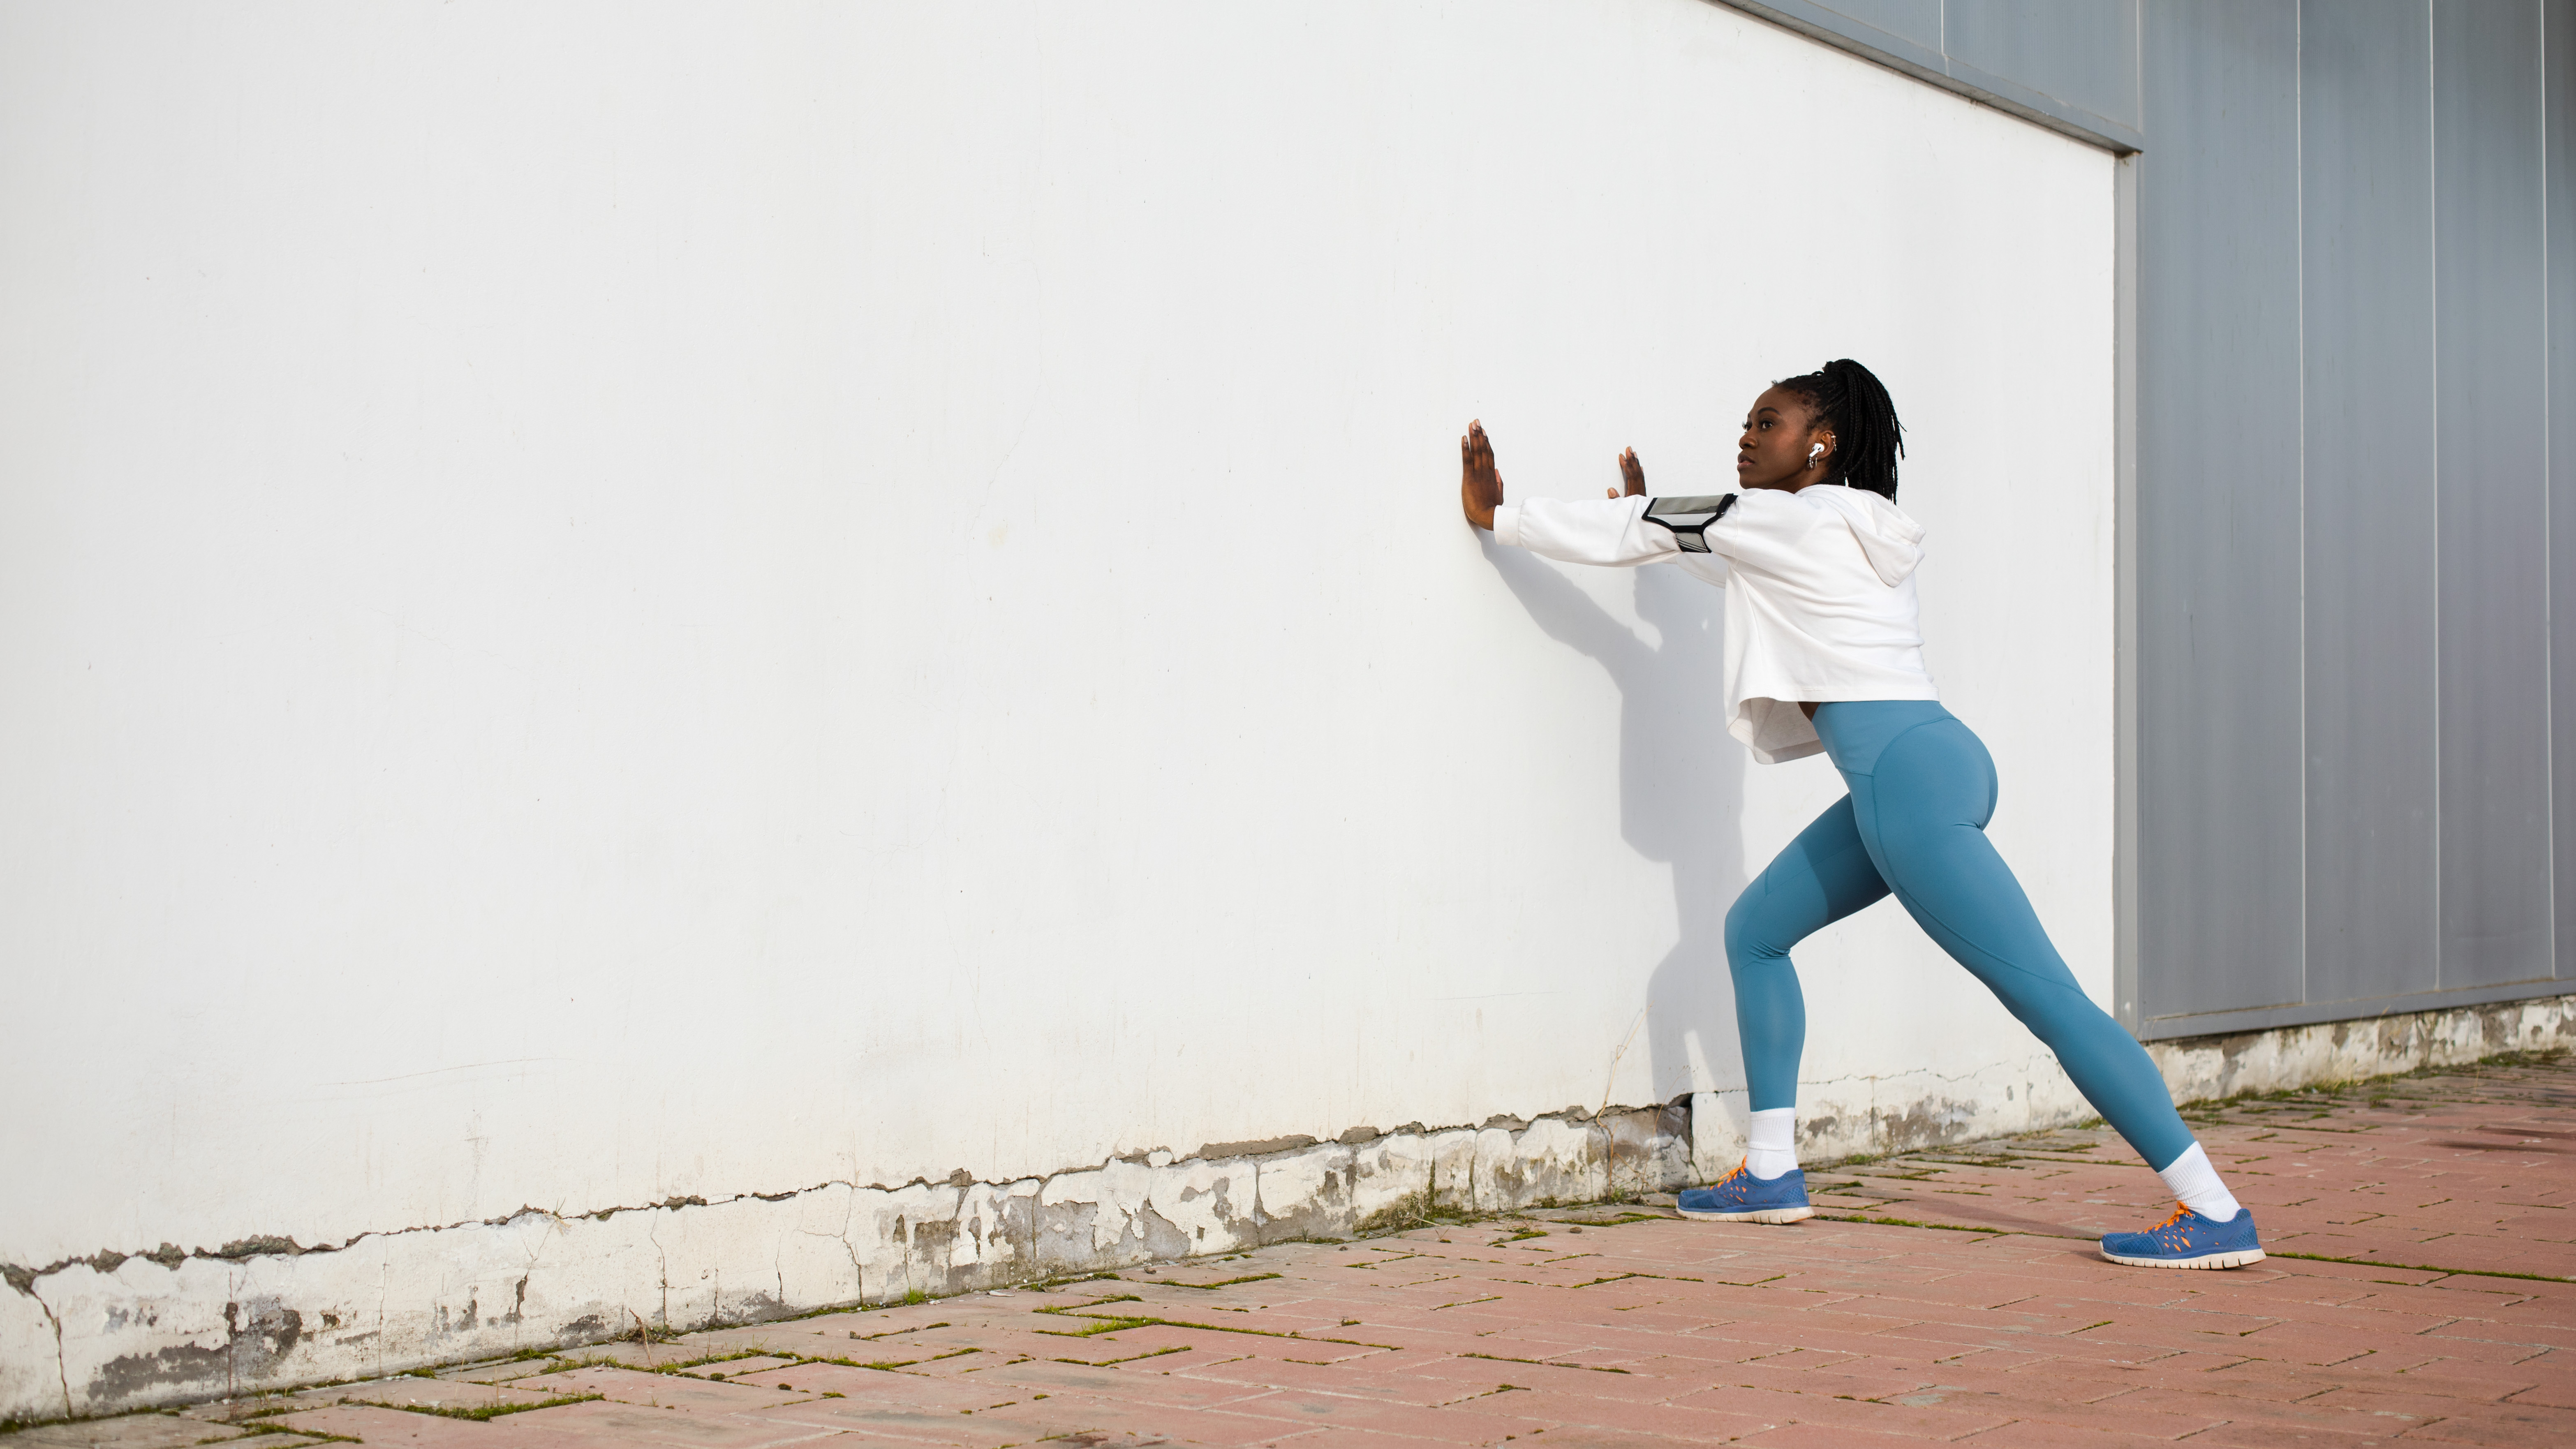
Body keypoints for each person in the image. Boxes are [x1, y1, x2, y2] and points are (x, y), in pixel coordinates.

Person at [1457, 360, 2264, 1270]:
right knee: (1756, 929)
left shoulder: (1781, 517)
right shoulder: (1845, 525)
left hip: (1902, 784)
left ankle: (2214, 1208)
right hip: (1930, 760)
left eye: (1767, 422)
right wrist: (1672, 538)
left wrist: (1503, 516)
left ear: (1821, 443)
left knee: (2047, 997)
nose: (1746, 436)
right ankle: (1770, 1170)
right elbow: (1730, 564)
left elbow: (1646, 525)